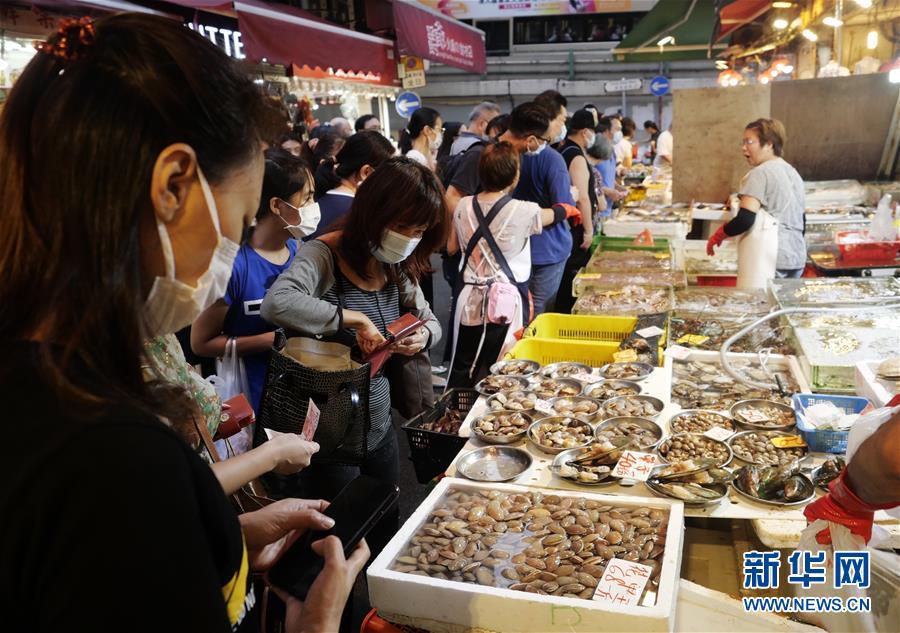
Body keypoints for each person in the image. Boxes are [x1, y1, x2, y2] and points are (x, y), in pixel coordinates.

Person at [0, 13, 367, 632]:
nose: (234, 245)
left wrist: (218, 542)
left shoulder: (39, 381)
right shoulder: (114, 455)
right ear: (173, 184)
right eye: (238, 215)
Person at [260, 158, 445, 559]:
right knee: (339, 538)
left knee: (385, 520)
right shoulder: (324, 255)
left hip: (378, 422)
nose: (411, 239)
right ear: (377, 213)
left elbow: (430, 319)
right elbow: (277, 304)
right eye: (406, 228)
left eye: (419, 232)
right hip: (329, 429)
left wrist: (421, 337)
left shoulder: (395, 266)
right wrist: (351, 318)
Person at [191, 149, 319, 412]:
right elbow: (200, 343)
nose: (314, 207)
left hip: (299, 393)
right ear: (276, 205)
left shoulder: (299, 249)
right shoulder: (232, 266)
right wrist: (272, 340)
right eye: (306, 198)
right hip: (252, 400)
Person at [447, 143, 579, 388]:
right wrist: (570, 206)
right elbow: (554, 214)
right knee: (503, 364)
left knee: (464, 362)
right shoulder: (524, 210)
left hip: (468, 297)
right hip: (505, 299)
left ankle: (456, 410)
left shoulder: (462, 206)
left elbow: (451, 248)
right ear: (515, 176)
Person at [707, 118, 806, 287]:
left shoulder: (760, 173)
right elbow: (802, 220)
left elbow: (745, 219)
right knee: (782, 309)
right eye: (743, 142)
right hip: (796, 256)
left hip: (771, 258)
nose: (743, 148)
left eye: (749, 142)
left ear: (768, 144)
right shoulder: (792, 172)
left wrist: (719, 234)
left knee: (761, 309)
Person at [519, 91, 576, 316]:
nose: (563, 126)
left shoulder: (513, 153)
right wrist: (573, 195)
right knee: (540, 311)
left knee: (522, 309)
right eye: (562, 120)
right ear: (549, 119)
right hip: (549, 247)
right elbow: (564, 203)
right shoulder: (552, 159)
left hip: (517, 247)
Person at [555, 109, 604, 313]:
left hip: (567, 223)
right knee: (571, 280)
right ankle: (566, 316)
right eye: (592, 131)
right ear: (585, 131)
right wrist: (588, 231)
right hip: (575, 228)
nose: (593, 136)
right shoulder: (575, 156)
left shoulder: (563, 148)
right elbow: (582, 197)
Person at [308, 130, 395, 240]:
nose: (388, 181)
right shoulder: (359, 211)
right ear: (366, 172)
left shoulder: (317, 200)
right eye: (386, 174)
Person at [594, 117, 627, 210]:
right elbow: (590, 182)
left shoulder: (611, 150)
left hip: (609, 207)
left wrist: (617, 186)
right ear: (607, 131)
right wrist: (608, 191)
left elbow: (608, 176)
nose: (620, 132)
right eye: (617, 129)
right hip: (598, 210)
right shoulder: (595, 151)